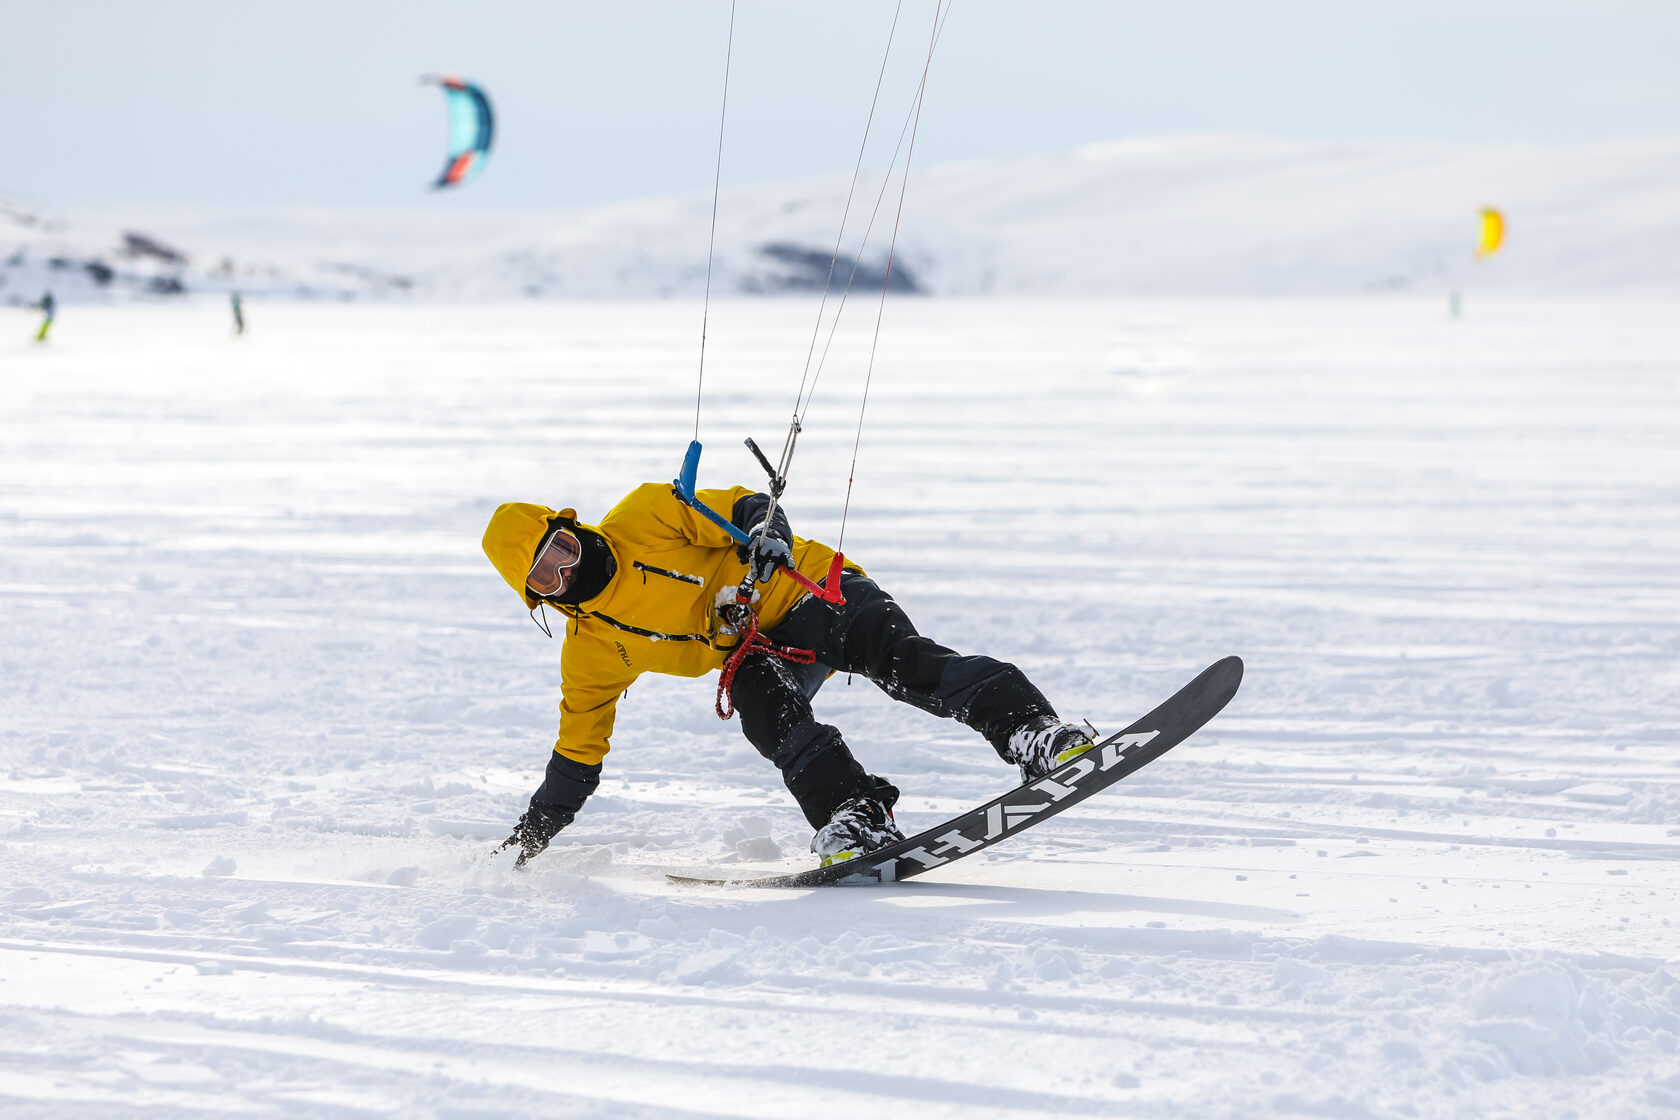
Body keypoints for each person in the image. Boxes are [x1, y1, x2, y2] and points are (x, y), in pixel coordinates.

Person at [482, 482, 1096, 868]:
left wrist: (766, 535)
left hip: (809, 590)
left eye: (560, 547)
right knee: (766, 713)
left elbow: (747, 505)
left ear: (571, 526)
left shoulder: (644, 513)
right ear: (537, 597)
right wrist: (529, 839)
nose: (565, 570)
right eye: (545, 577)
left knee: (902, 662)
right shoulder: (588, 651)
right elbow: (577, 751)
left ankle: (1035, 735)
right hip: (757, 645)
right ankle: (854, 813)